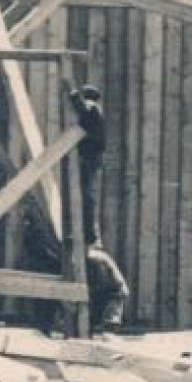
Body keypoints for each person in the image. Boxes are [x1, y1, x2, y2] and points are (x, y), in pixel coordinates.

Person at [67, 83, 107, 245]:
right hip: (93, 157)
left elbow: (84, 110)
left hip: (90, 157)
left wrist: (74, 96)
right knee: (87, 194)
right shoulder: (98, 111)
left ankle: (88, 234)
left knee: (86, 195)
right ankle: (88, 233)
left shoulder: (92, 108)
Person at [85, 245, 128, 334]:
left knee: (110, 322)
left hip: (111, 291)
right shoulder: (97, 257)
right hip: (102, 290)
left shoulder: (97, 258)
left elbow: (114, 282)